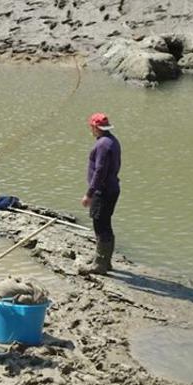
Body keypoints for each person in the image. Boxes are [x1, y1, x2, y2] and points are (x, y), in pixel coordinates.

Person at [79, 113, 121, 275]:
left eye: (91, 127)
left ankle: (100, 264)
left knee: (100, 225)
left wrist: (89, 194)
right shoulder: (112, 141)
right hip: (111, 188)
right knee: (105, 224)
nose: (90, 130)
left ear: (96, 127)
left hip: (103, 191)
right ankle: (103, 260)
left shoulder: (103, 144)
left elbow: (100, 170)